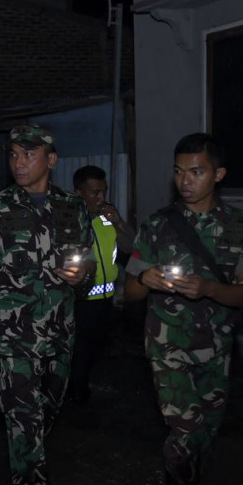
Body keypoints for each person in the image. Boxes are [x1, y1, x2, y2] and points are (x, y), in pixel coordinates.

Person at [124, 132, 243, 485]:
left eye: (196, 172)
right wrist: (144, 279)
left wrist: (208, 289)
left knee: (204, 432)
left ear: (218, 175)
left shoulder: (240, 225)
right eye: (179, 172)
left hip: (217, 347)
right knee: (185, 427)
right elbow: (129, 293)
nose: (185, 181)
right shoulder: (157, 226)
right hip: (167, 346)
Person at [0, 125, 93, 485]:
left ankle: (25, 480)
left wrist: (81, 275)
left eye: (28, 154)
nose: (18, 163)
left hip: (59, 336)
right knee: (24, 423)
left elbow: (86, 269)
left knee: (43, 418)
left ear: (50, 160)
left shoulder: (74, 207)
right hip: (12, 339)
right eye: (14, 155)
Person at [66, 165, 133, 405]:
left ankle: (78, 387)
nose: (101, 198)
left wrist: (119, 222)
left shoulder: (107, 219)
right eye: (95, 192)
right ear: (78, 193)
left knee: (94, 348)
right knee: (78, 350)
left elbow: (130, 247)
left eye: (103, 191)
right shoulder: (69, 221)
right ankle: (76, 393)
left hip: (105, 300)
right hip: (80, 300)